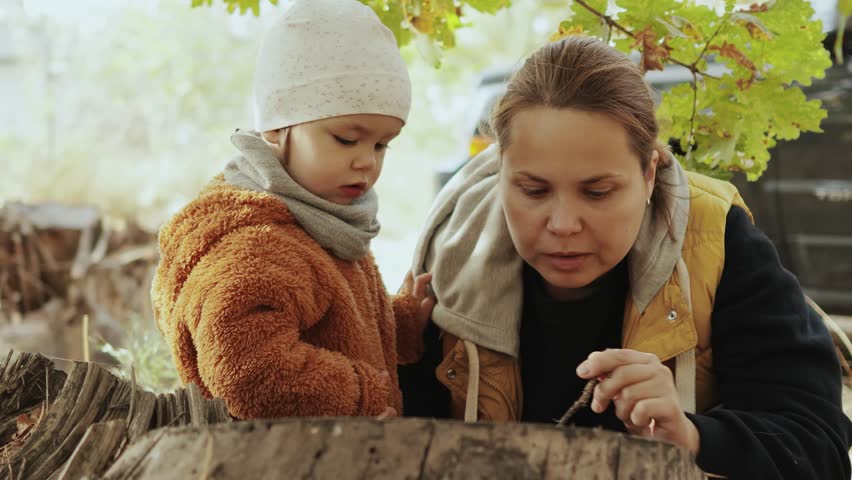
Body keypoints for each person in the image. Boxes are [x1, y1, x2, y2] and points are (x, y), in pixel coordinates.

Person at [400, 36, 851, 479]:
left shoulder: (719, 242)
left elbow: (818, 448)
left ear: (651, 175)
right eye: (533, 190)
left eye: (597, 192)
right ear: (501, 175)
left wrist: (692, 436)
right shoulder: (450, 252)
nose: (563, 224)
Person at [151, 0, 433, 420]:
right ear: (279, 128)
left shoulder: (320, 216)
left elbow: (330, 318)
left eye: (381, 144)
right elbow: (248, 369)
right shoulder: (254, 245)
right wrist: (364, 395)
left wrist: (402, 325)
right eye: (345, 138)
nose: (367, 162)